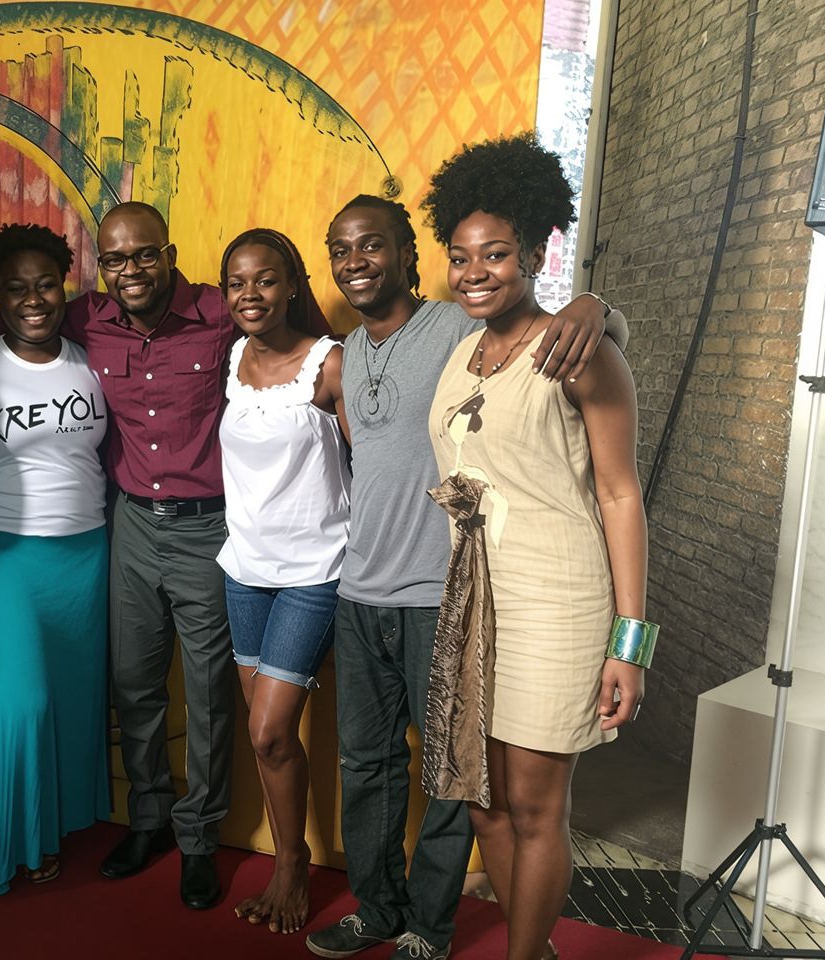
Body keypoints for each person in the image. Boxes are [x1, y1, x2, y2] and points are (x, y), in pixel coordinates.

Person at [0, 201, 333, 908]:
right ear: (99, 267)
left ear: (169, 255)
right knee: (134, 683)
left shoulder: (223, 311)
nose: (131, 270)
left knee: (205, 693)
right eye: (115, 260)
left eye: (144, 255)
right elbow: (3, 316)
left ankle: (198, 839)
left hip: (210, 529)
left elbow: (317, 346)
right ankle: (149, 820)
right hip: (130, 524)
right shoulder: (85, 319)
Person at [305, 193, 628, 960]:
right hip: (427, 596)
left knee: (500, 796)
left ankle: (437, 928)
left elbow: (612, 463)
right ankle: (394, 914)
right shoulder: (379, 352)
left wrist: (598, 304)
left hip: (482, 594)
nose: (476, 271)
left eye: (372, 245)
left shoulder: (453, 325)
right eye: (464, 256)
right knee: (438, 785)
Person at [421, 133, 649, 960]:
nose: (476, 271)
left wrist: (632, 644)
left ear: (535, 251)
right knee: (482, 803)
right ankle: (534, 949)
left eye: (497, 254)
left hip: (559, 601)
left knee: (532, 803)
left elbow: (622, 496)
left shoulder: (582, 353)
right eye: (461, 256)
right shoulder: (459, 350)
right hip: (476, 601)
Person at [0, 224, 110, 894]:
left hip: (87, 550)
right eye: (16, 289)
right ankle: (6, 840)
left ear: (65, 284)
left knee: (74, 699)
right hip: (1, 553)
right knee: (16, 700)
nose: (34, 299)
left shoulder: (89, 358)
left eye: (45, 284)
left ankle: (55, 825)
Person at [215, 228, 350, 935]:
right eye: (237, 283)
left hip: (313, 571)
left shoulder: (329, 364)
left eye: (265, 280)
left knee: (269, 729)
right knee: (266, 738)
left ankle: (293, 867)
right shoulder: (233, 358)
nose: (250, 295)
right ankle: (287, 857)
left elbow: (377, 464)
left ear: (293, 284)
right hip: (245, 571)